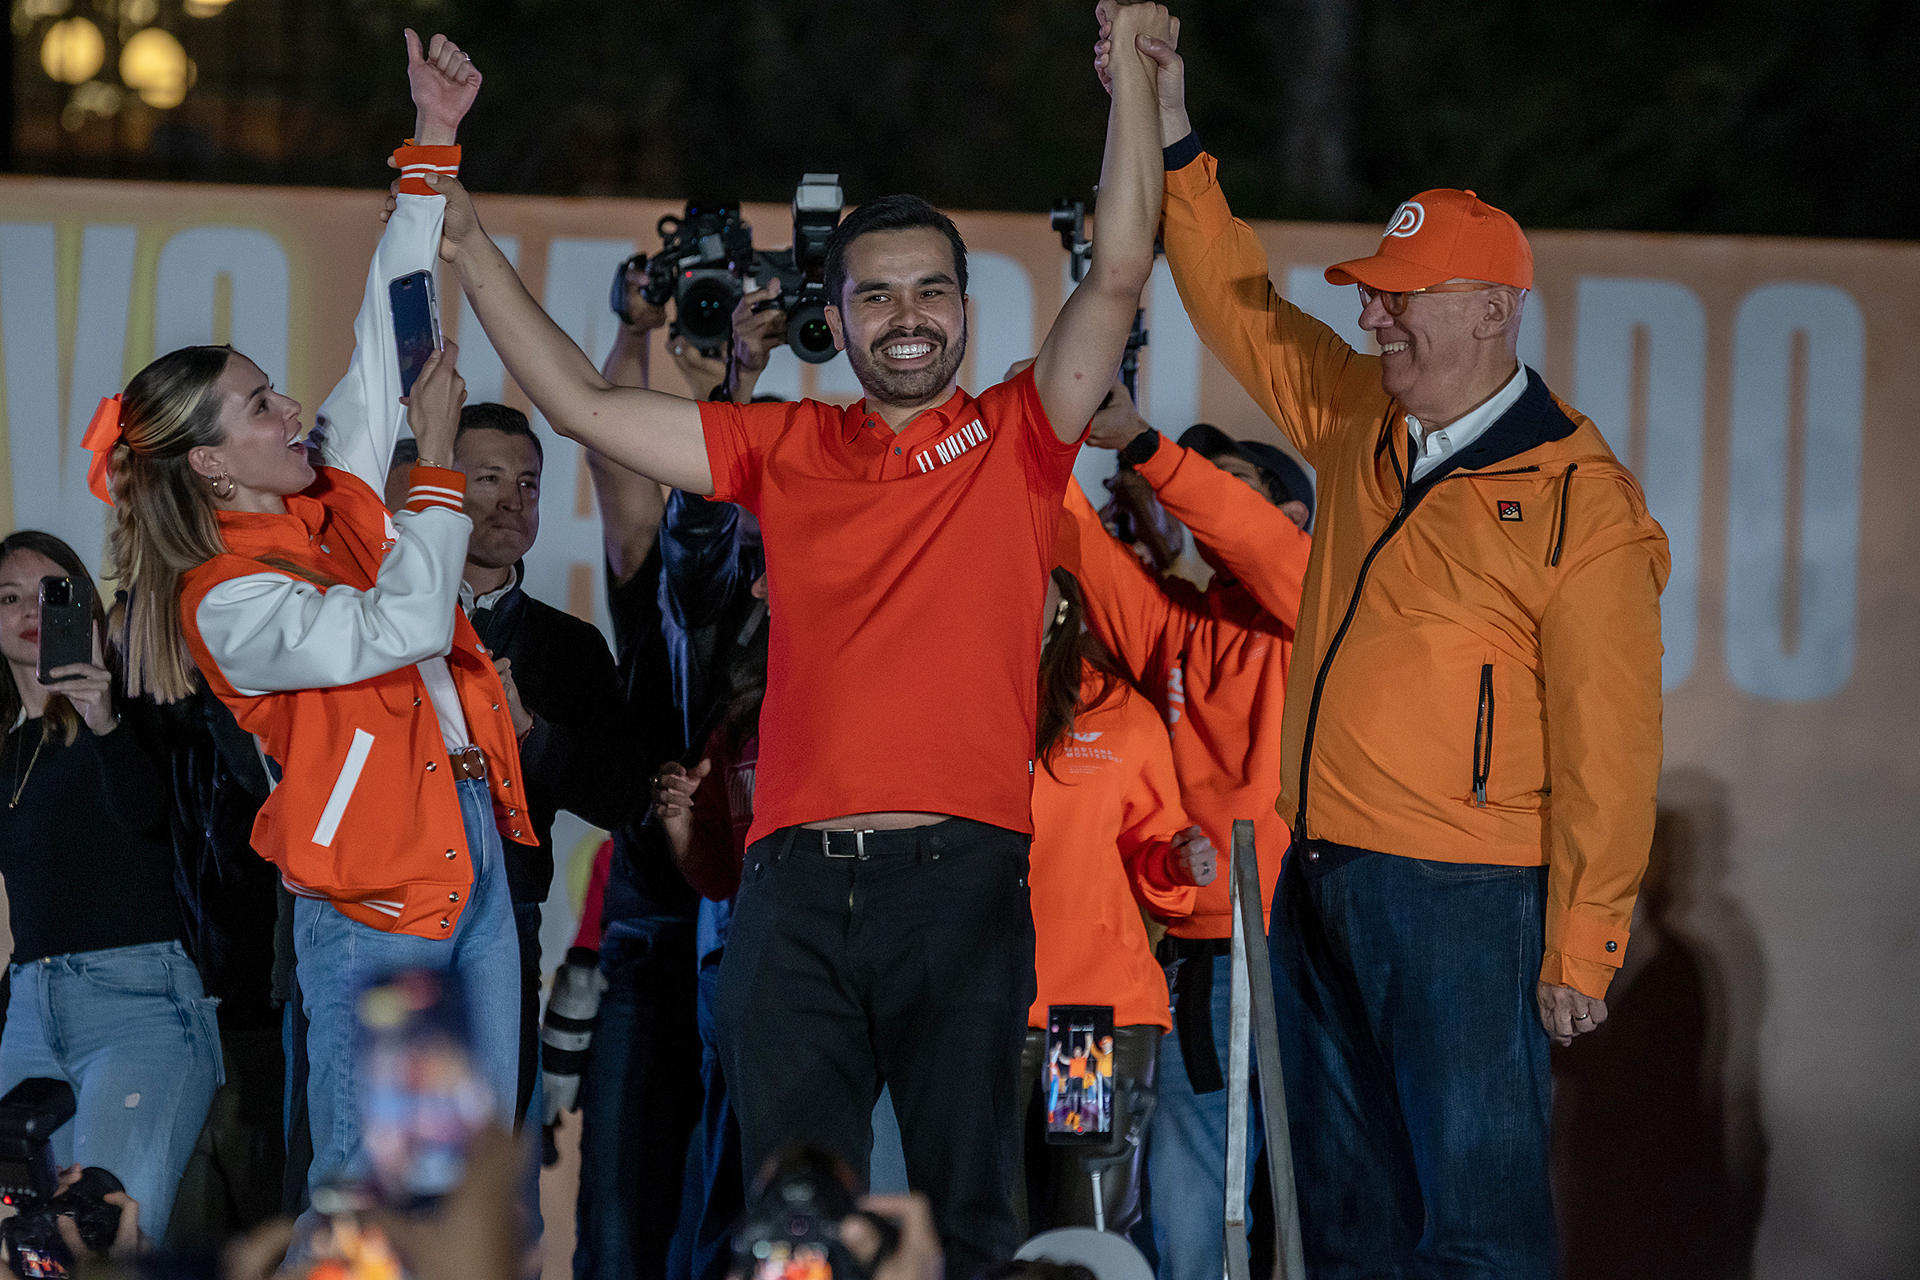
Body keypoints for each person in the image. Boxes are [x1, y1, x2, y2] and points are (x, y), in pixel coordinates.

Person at [432, 5, 1174, 1270]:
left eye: (931, 290)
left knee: (974, 1216)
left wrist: (1136, 91)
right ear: (835, 313)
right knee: (790, 1220)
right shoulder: (789, 446)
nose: (906, 315)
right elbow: (585, 404)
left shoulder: (1019, 432)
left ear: (965, 309)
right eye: (875, 292)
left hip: (962, 885)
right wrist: (457, 218)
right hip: (788, 892)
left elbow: (1115, 269)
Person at [1101, 19, 1670, 1275]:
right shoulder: (1362, 413)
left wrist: (1584, 937)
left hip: (1468, 900)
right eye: (1369, 295)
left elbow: (1612, 739)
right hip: (1323, 882)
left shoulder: (1585, 504)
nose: (1374, 319)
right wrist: (1177, 131)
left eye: (1401, 299)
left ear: (1491, 310)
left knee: (1476, 1228)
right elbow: (1239, 301)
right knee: (1343, 1220)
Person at [88, 31, 529, 1237]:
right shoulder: (221, 597)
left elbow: (389, 335)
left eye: (278, 388)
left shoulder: (322, 487)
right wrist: (437, 469)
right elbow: (402, 622)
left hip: (466, 852)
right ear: (209, 459)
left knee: (466, 1205)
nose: (293, 408)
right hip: (378, 899)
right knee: (371, 1207)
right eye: (260, 403)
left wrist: (433, 142)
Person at [1055, 380, 1311, 1280]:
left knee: (1216, 1197)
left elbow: (1165, 856)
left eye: (1219, 481)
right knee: (1070, 1211)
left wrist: (1148, 451)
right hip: (1049, 1004)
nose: (1187, 499)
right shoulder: (1083, 692)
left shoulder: (1307, 615)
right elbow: (1073, 539)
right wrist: (1029, 422)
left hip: (1117, 1012)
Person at [0, 530, 222, 1242]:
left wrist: (102, 719)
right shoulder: (6, 748)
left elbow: (148, 817)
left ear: (86, 611)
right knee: (28, 1248)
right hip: (29, 1015)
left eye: (50, 594)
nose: (30, 610)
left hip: (139, 1006)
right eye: (8, 598)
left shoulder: (135, 711)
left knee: (104, 1238)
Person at [450, 400, 647, 1127]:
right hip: (383, 923)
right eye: (488, 478)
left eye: (528, 484)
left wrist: (528, 732)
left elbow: (621, 795)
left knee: (498, 1176)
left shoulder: (570, 646)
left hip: (506, 914)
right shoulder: (376, 617)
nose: (512, 501)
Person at [1011, 566, 1213, 1237]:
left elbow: (1155, 850)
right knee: (988, 1224)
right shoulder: (950, 697)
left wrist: (1179, 861)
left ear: (1064, 602)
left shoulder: (1116, 713)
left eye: (1027, 574)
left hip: (1084, 1016)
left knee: (1083, 1229)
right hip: (982, 1008)